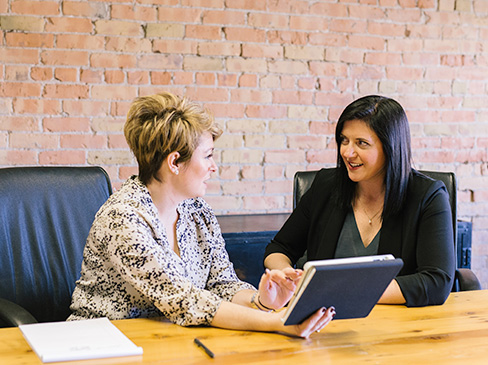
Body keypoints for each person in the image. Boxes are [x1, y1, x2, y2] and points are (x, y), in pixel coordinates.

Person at [68, 91, 335, 338]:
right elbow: (184, 300)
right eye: (207, 156)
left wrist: (262, 301)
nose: (214, 167)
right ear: (174, 162)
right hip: (101, 342)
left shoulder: (197, 210)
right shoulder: (123, 218)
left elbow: (222, 283)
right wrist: (277, 322)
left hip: (169, 340)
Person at [264, 95, 455, 307]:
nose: (347, 152)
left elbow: (437, 281)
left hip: (398, 324)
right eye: (344, 140)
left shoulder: (428, 196)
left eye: (361, 143)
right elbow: (279, 248)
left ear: (390, 147)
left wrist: (342, 291)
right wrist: (285, 275)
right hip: (324, 322)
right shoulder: (326, 186)